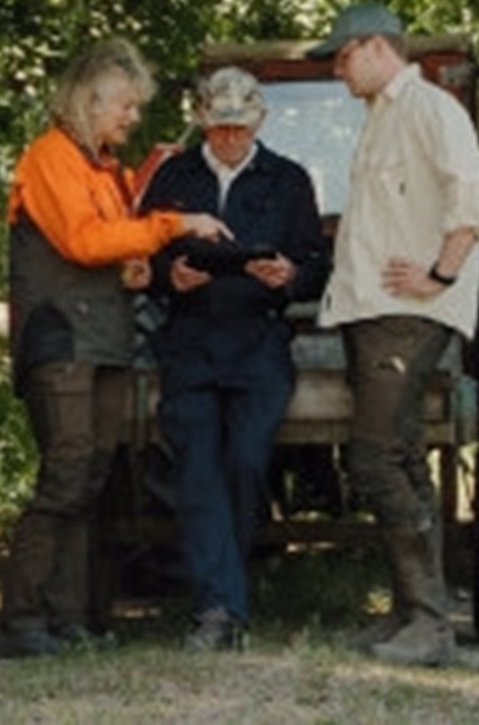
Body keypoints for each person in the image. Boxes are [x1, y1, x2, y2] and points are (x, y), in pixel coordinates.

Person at [0, 37, 231, 658]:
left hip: (102, 339)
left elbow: (113, 250)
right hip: (61, 340)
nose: (133, 117)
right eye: (124, 106)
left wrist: (149, 269)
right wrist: (173, 225)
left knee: (92, 478)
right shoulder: (50, 157)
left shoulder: (103, 168)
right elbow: (81, 240)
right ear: (89, 99)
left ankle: (72, 620)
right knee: (67, 473)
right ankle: (23, 618)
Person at [306, 1, 479, 666]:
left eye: (342, 56)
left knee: (374, 457)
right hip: (374, 310)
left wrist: (441, 274)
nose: (337, 70)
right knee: (403, 457)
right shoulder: (381, 120)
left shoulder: (429, 109)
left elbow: (474, 197)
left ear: (376, 47)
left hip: (406, 314)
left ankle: (428, 623)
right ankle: (417, 617)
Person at [140, 66, 329, 650]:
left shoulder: (290, 180)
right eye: (219, 128)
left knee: (246, 463)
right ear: (201, 121)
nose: (228, 139)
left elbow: (317, 265)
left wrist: (291, 275)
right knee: (196, 469)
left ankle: (226, 592)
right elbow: (140, 259)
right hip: (190, 341)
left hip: (258, 343)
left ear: (259, 122)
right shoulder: (172, 176)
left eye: (239, 129)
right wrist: (170, 277)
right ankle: (219, 610)